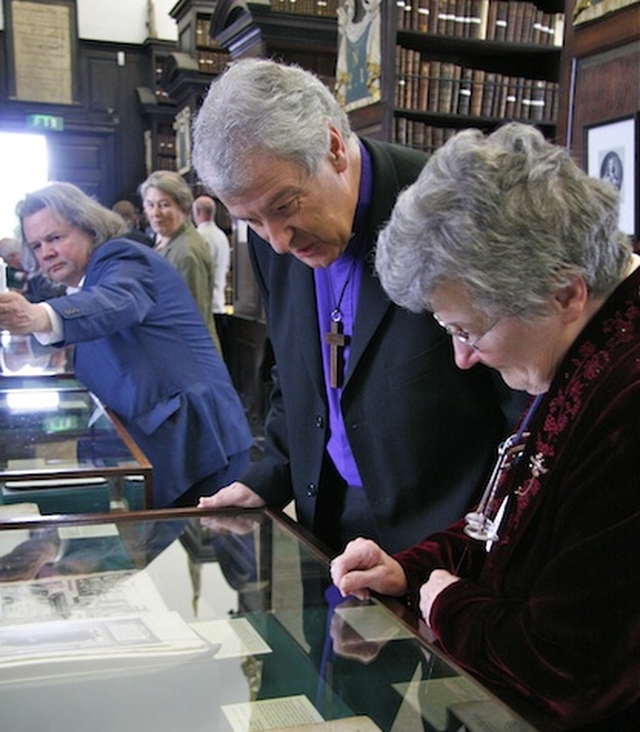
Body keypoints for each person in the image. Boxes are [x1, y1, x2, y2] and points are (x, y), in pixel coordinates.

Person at [330, 123, 640, 732]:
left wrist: (448, 609)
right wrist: (409, 572)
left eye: (468, 329)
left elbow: (571, 667)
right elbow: (512, 523)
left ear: (564, 293)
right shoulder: (585, 344)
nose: (462, 358)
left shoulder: (628, 393)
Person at [192, 58, 525, 555]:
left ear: (332, 148)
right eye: (252, 222)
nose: (278, 242)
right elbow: (295, 374)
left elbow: (521, 397)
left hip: (443, 531)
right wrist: (270, 478)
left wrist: (482, 540)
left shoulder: (450, 208)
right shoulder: (270, 233)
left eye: (285, 207)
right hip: (324, 521)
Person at [0, 181, 253, 508]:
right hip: (162, 450)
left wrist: (38, 317)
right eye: (36, 245)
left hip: (201, 446)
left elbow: (116, 302)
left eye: (55, 238)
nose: (45, 252)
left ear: (89, 229)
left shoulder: (120, 256)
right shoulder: (82, 284)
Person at [139, 170, 221, 352]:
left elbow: (191, 319)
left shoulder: (186, 252)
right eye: (150, 204)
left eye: (163, 205)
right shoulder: (165, 239)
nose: (155, 213)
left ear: (183, 207)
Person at [192, 194, 232, 360]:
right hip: (220, 304)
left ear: (197, 212)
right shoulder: (222, 236)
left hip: (206, 309)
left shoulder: (198, 237)